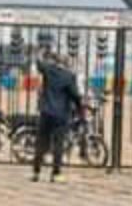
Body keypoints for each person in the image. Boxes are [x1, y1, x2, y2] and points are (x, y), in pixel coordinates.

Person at [31, 47, 83, 183]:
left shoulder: (49, 70)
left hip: (46, 112)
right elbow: (75, 96)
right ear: (66, 64)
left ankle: (36, 172)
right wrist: (80, 110)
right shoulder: (69, 76)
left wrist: (40, 52)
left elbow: (38, 63)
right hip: (61, 115)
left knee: (41, 143)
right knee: (58, 144)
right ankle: (56, 174)